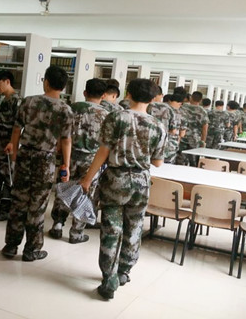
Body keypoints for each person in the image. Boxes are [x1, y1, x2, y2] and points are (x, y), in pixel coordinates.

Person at [79, 78, 166, 300]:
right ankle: (124, 271)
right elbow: (158, 162)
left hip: (115, 180)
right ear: (153, 99)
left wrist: (88, 179)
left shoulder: (116, 117)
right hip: (141, 182)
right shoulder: (158, 126)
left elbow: (103, 151)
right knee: (134, 227)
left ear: (128, 94)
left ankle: (109, 278)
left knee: (111, 228)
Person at [1, 65, 74, 262]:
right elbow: (66, 140)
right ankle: (32, 249)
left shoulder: (29, 101)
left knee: (19, 202)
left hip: (25, 154)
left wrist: (15, 156)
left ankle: (10, 246)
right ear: (64, 87)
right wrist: (65, 165)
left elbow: (16, 130)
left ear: (46, 82)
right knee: (38, 205)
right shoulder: (65, 110)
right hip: (46, 159)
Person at [48, 78, 108, 243]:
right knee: (86, 194)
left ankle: (57, 224)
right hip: (92, 161)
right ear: (103, 95)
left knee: (63, 189)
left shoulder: (71, 108)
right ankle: (76, 233)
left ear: (85, 92)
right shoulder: (107, 115)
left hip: (69, 156)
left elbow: (60, 134)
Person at [0, 70, 22, 221]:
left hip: (7, 142)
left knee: (6, 174)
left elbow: (18, 125)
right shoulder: (5, 99)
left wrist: (13, 143)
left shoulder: (16, 101)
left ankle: (6, 208)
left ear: (7, 81)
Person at [176, 91, 208, 166]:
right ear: (201, 100)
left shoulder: (183, 107)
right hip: (195, 139)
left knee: (180, 161)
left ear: (191, 98)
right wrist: (203, 141)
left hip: (182, 137)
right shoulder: (202, 111)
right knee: (194, 162)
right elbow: (205, 127)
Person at [164, 93, 185, 163]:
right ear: (181, 103)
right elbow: (182, 134)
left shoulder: (160, 110)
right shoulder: (182, 114)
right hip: (171, 144)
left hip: (156, 142)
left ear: (169, 101)